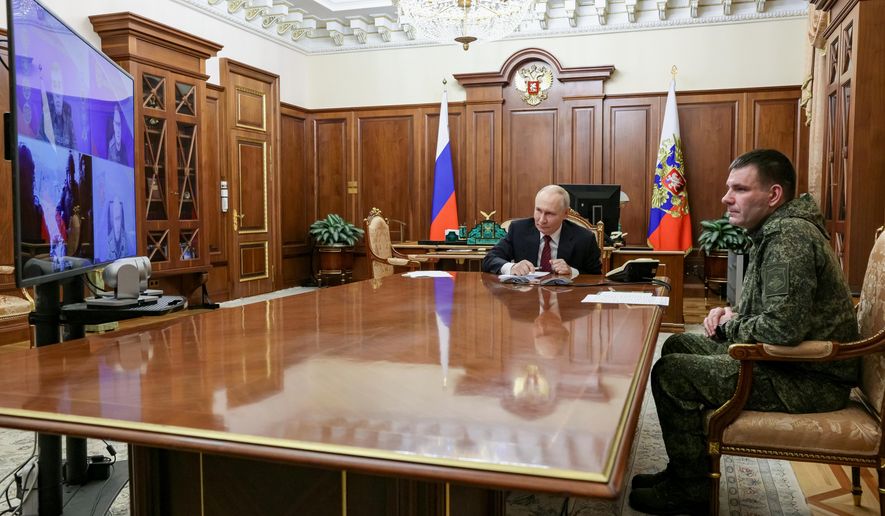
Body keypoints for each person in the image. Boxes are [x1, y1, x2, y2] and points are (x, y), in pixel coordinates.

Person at [628, 149, 860, 515]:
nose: (726, 198)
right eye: (728, 188)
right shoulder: (775, 229)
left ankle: (690, 491)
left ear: (773, 196)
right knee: (676, 343)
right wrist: (731, 312)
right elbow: (777, 309)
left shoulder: (789, 237)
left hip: (807, 377)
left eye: (739, 189)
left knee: (672, 374)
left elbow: (783, 328)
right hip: (785, 363)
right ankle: (687, 470)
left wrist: (728, 325)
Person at [482, 185, 601, 276]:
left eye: (549, 213)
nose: (542, 220)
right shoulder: (519, 229)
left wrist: (572, 271)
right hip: (525, 301)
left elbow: (596, 276)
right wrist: (512, 267)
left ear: (565, 214)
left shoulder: (584, 238)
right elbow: (490, 259)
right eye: (538, 210)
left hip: (566, 301)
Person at [43, 62, 76, 149]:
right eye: (54, 85)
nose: (57, 92)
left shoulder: (69, 118)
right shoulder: (46, 114)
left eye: (59, 85)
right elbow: (39, 142)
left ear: (63, 89)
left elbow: (75, 148)